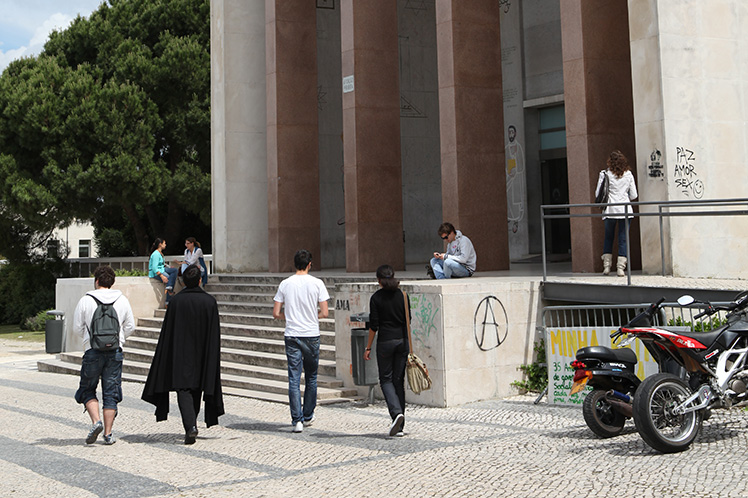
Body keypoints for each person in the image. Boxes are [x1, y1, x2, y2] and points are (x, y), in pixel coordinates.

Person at [141, 264, 224, 444]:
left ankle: (190, 426)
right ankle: (191, 425)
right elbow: (214, 333)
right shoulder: (209, 302)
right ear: (200, 280)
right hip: (202, 353)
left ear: (183, 281)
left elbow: (168, 331)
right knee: (195, 389)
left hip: (181, 352)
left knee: (183, 388)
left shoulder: (176, 302)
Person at [73, 265, 135, 445]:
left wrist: (88, 339)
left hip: (92, 350)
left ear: (97, 280)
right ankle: (108, 434)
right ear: (112, 282)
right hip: (115, 351)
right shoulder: (122, 300)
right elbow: (130, 326)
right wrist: (119, 339)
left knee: (87, 388)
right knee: (111, 392)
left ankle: (96, 422)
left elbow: (77, 327)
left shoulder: (86, 300)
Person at [272, 249, 330, 433]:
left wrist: (289, 318)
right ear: (310, 264)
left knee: (294, 378)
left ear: (294, 263)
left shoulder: (285, 283)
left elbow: (275, 313)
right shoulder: (317, 283)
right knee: (311, 377)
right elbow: (325, 312)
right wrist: (313, 316)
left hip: (292, 334)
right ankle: (308, 414)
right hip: (311, 333)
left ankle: (296, 419)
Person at [363, 265, 410, 437]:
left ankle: (396, 413)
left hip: (385, 342)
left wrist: (368, 347)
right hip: (402, 342)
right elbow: (408, 321)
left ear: (378, 280)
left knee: (385, 380)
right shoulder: (403, 296)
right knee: (398, 381)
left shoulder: (376, 298)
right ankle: (401, 426)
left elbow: (373, 326)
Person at [595, 150, 638, 276]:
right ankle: (620, 268)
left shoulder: (604, 174)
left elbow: (598, 193)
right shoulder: (628, 174)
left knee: (608, 238)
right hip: (625, 210)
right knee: (623, 239)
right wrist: (624, 196)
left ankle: (607, 267)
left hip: (610, 210)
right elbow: (634, 195)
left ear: (610, 162)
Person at [148, 238, 178, 304]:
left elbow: (161, 264)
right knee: (169, 279)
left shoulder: (160, 253)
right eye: (164, 243)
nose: (165, 245)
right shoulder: (156, 254)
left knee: (175, 270)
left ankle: (169, 287)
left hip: (162, 269)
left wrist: (169, 267)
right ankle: (168, 301)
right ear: (160, 244)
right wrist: (162, 276)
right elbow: (154, 268)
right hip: (156, 272)